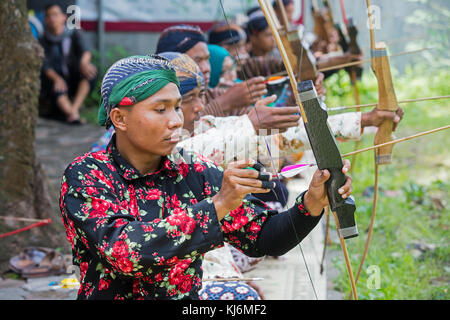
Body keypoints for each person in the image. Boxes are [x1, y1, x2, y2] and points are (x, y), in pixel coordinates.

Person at [60, 54, 354, 300]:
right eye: (160, 109)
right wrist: (217, 205)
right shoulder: (87, 175)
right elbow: (126, 253)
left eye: (176, 107)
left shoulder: (193, 170)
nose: (176, 120)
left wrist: (311, 204)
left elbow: (263, 237)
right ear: (119, 118)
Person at [155, 24, 267, 117]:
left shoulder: (214, 93)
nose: (206, 68)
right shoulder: (160, 100)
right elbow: (187, 133)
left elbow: (253, 119)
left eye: (207, 59)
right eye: (197, 60)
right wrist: (225, 102)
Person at [39, 3, 97, 124]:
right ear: (45, 20)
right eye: (48, 16)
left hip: (74, 76)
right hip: (57, 78)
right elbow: (45, 65)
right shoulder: (43, 40)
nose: (52, 18)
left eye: (55, 15)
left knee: (90, 72)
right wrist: (56, 79)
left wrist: (84, 63)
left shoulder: (74, 33)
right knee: (57, 86)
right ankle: (73, 115)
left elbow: (86, 51)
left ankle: (73, 110)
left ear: (63, 17)